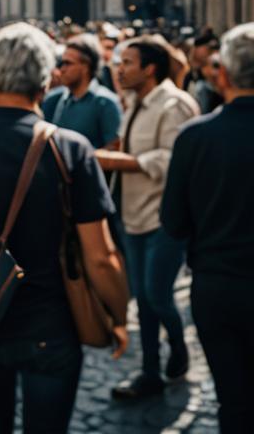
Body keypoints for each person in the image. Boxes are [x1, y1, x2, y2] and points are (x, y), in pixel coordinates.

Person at [0, 23, 128, 434]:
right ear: (46, 81)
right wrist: (118, 314)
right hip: (52, 324)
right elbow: (101, 255)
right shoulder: (70, 149)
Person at [161, 23, 254, 432]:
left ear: (224, 74)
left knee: (233, 401)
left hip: (219, 287)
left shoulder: (195, 137)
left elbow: (174, 222)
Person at [95, 36, 199, 399]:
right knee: (142, 297)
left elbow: (176, 161)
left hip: (164, 219)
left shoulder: (175, 104)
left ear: (149, 69)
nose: (118, 69)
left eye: (127, 63)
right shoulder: (137, 102)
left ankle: (180, 347)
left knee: (157, 294)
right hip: (134, 214)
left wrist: (117, 161)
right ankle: (150, 371)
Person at [42, 34, 122, 149]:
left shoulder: (106, 102)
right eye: (61, 63)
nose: (62, 69)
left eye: (68, 63)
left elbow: (113, 147)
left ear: (86, 66)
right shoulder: (53, 98)